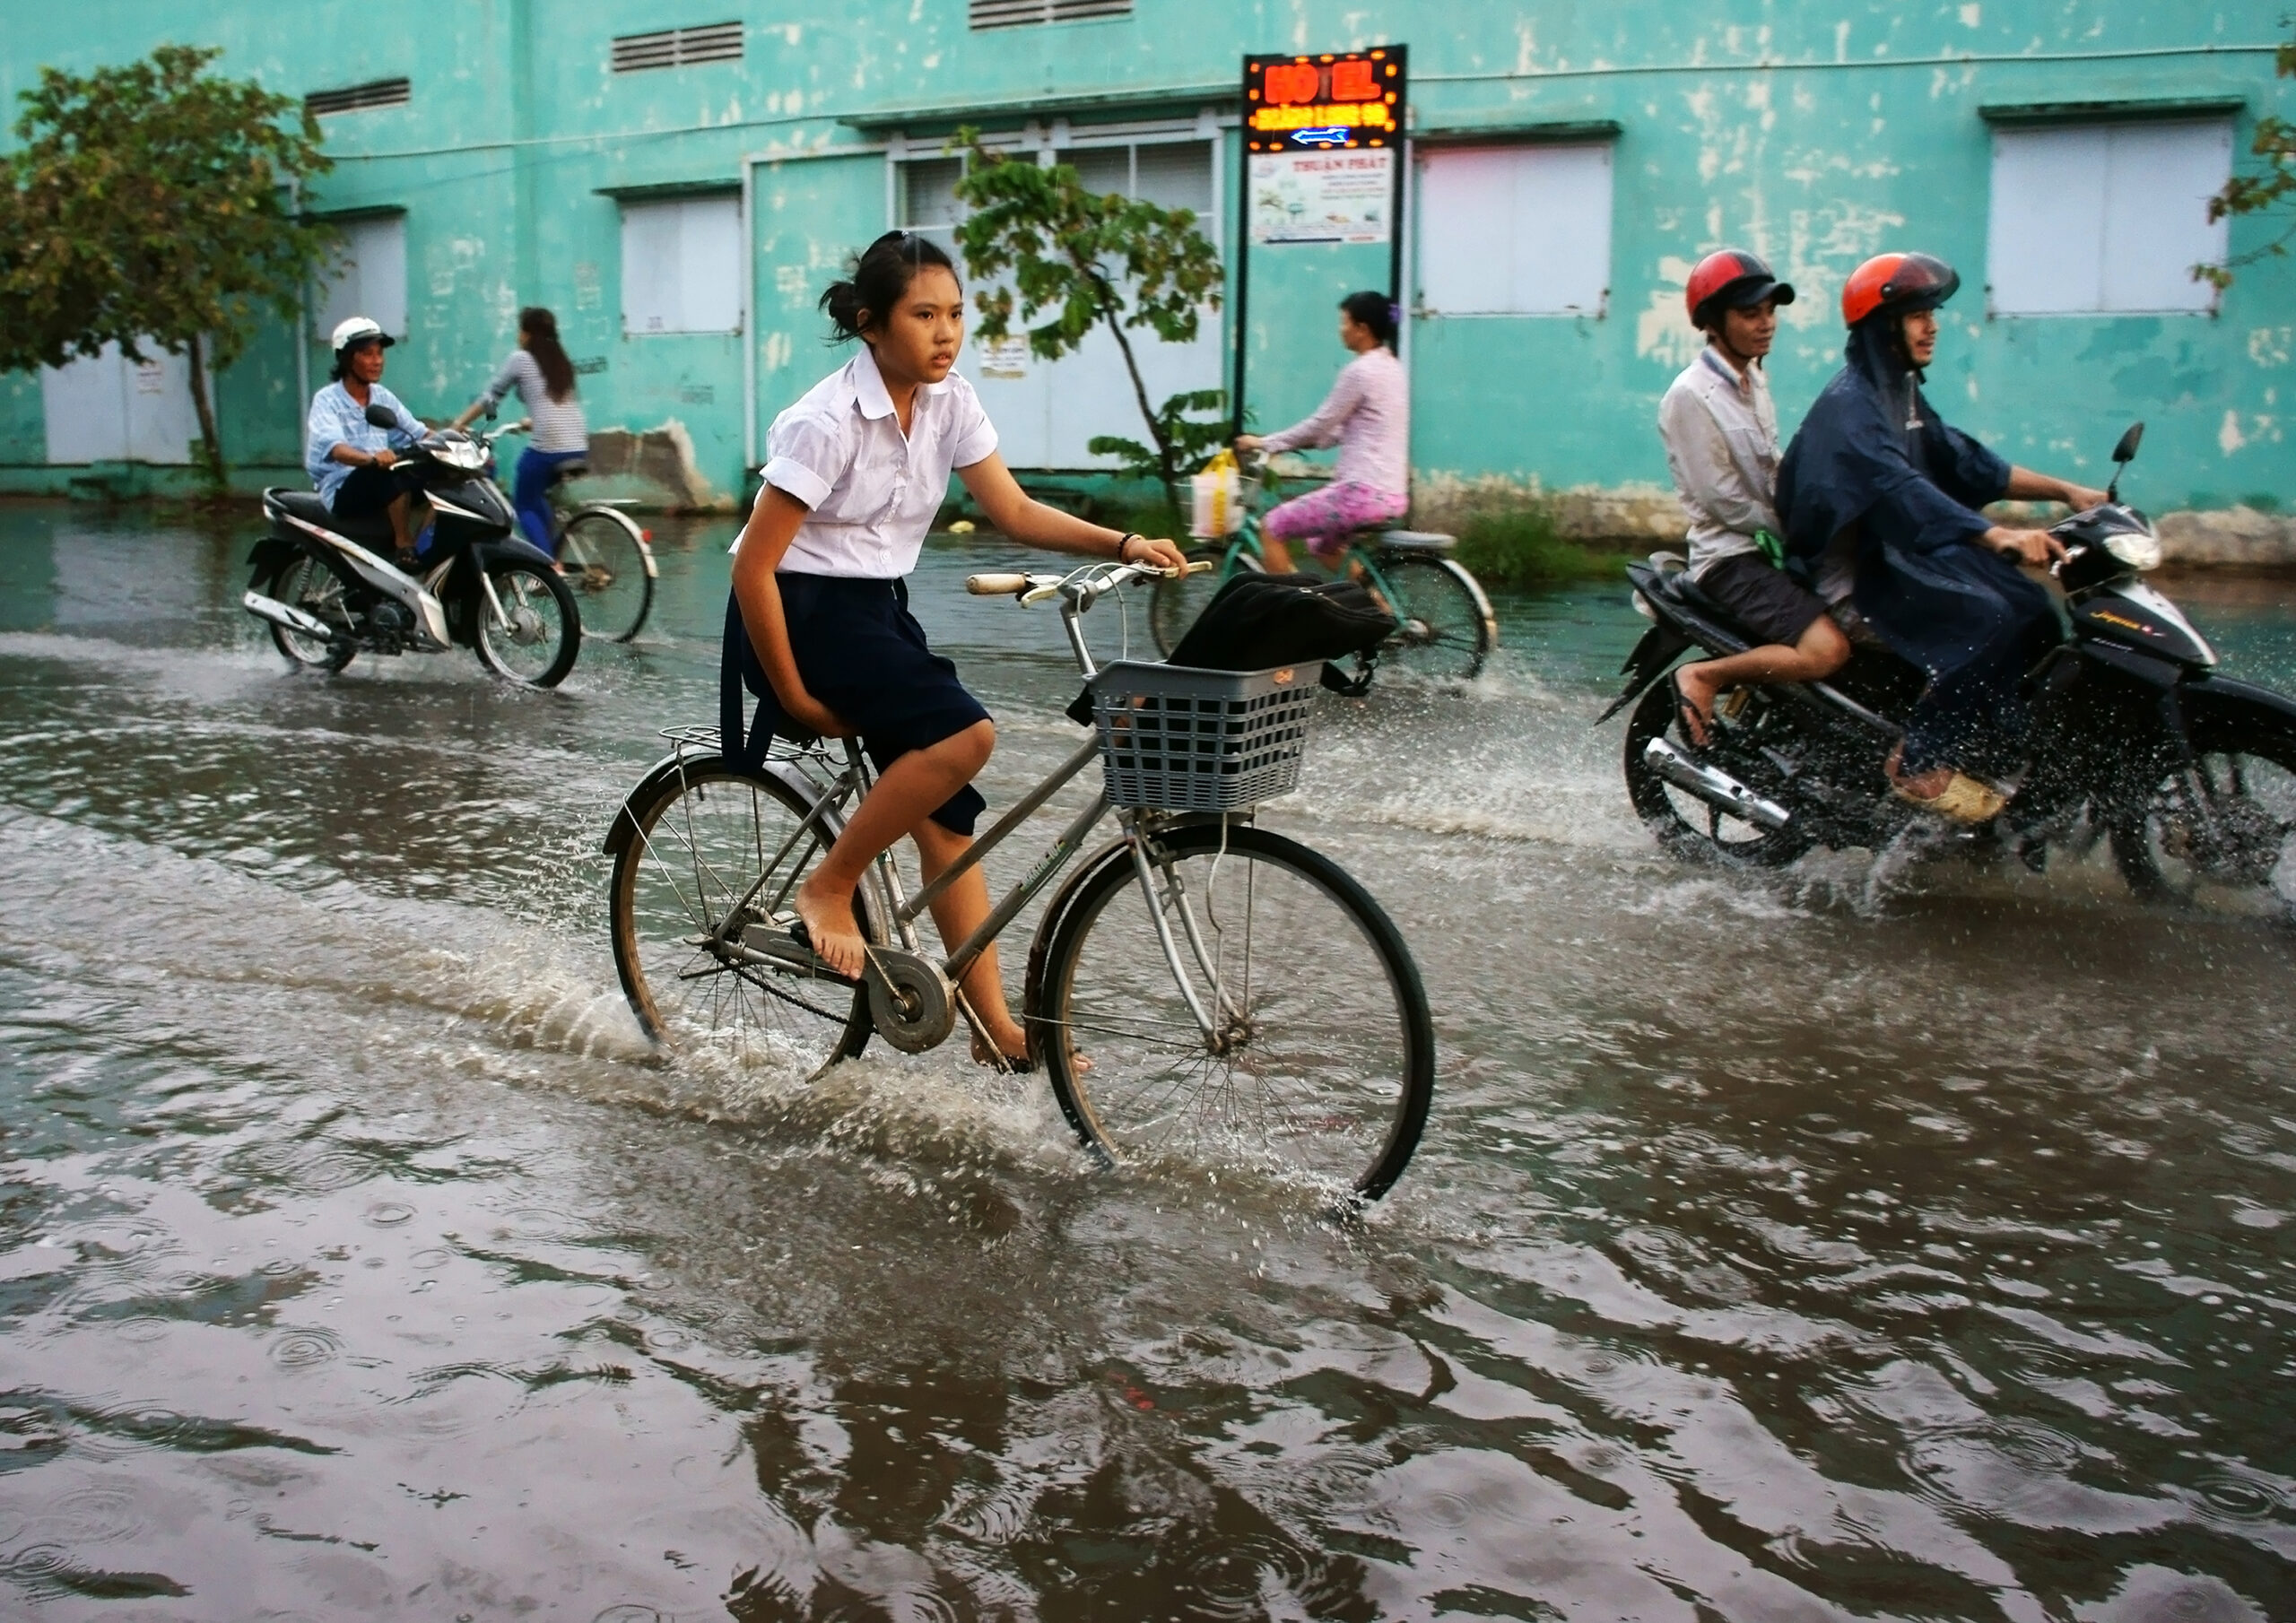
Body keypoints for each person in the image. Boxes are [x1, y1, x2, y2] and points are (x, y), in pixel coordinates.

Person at [726, 230, 1187, 1068]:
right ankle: (829, 885)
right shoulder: (825, 420)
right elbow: (755, 568)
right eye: (923, 314)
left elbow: (1012, 510)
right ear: (872, 324)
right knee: (965, 736)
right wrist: (790, 695)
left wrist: (1122, 544)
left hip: (876, 613)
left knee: (945, 814)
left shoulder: (951, 401)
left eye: (957, 314)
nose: (946, 332)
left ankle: (989, 1027)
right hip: (799, 613)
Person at [1776, 252, 2108, 821]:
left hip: (1901, 553)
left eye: (1932, 312)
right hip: (1860, 574)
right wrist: (1993, 534)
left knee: (2032, 606)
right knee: (1987, 618)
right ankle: (1920, 758)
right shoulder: (1850, 408)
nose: (1931, 325)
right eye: (1915, 314)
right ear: (1883, 327)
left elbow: (1964, 461)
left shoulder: (1898, 391)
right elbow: (1903, 491)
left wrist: (2069, 492)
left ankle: (1993, 745)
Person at [1659, 249, 1848, 746]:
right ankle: (1703, 677)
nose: (1766, 324)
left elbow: (1773, 467)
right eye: (1750, 314)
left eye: (1770, 312)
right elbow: (1722, 500)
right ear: (1715, 323)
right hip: (1731, 559)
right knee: (1826, 650)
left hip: (1768, 548)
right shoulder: (1690, 395)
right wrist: (1796, 528)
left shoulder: (1753, 380)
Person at [1233, 291, 1409, 576]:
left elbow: (1321, 423)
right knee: (1320, 545)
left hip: (1360, 493)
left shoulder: (1360, 372)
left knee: (1272, 527)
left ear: (1362, 329)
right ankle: (1381, 610)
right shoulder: (1392, 368)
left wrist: (1266, 443)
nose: (1341, 330)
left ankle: (1297, 609)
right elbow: (1346, 429)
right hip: (1391, 494)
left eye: (1345, 323)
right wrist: (1316, 439)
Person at [449, 306, 588, 556]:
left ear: (526, 334)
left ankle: (547, 567)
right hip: (578, 444)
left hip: (549, 447)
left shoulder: (521, 359)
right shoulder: (561, 362)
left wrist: (458, 424)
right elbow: (557, 407)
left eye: (520, 329)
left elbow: (491, 398)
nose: (518, 335)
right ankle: (552, 554)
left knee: (523, 502)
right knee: (536, 497)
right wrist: (530, 422)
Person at [304, 317, 429, 568]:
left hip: (378, 481)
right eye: (368, 354)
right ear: (347, 358)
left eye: (380, 353)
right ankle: (404, 545)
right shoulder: (327, 401)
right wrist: (372, 459)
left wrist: (458, 445)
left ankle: (426, 546)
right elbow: (338, 450)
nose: (378, 361)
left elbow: (416, 432)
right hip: (342, 489)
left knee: (444, 474)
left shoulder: (382, 397)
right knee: (390, 474)